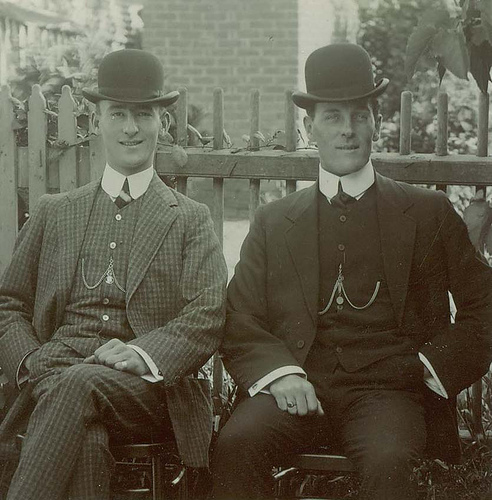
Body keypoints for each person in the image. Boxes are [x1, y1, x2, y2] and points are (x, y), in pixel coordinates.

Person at [211, 43, 492, 500]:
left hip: (390, 394)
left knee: (389, 462)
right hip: (297, 385)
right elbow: (240, 316)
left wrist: (430, 368)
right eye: (333, 117)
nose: (347, 131)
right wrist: (281, 374)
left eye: (359, 116)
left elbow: (485, 306)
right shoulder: (275, 220)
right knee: (237, 444)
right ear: (309, 128)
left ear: (377, 124)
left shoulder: (427, 212)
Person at [0, 48, 227, 500]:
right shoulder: (55, 212)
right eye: (117, 113)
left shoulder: (189, 217)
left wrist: (144, 354)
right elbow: (8, 303)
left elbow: (207, 313)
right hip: (55, 375)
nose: (130, 128)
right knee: (85, 439)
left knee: (77, 385)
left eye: (143, 115)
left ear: (161, 122)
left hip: (148, 391)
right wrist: (28, 360)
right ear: (95, 119)